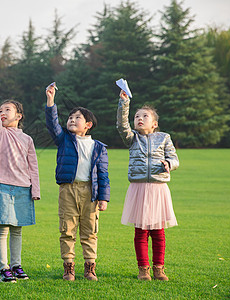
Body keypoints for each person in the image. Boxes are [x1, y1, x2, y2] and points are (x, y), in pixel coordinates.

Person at [45, 84, 110, 281]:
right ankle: (68, 267)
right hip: (68, 190)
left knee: (90, 232)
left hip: (90, 192)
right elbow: (52, 124)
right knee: (67, 229)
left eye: (77, 118)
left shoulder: (98, 147)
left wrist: (103, 198)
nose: (72, 120)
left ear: (88, 124)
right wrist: (50, 101)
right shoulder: (63, 139)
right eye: (70, 118)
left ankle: (90, 267)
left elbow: (103, 174)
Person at [116, 89, 179, 281]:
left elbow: (174, 158)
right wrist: (124, 104)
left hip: (159, 189)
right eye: (137, 116)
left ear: (155, 124)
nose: (140, 118)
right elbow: (121, 125)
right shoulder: (132, 138)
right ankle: (143, 268)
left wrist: (170, 164)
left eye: (145, 116)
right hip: (139, 189)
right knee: (141, 232)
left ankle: (159, 268)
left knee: (158, 232)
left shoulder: (164, 138)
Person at [0, 84, 40, 283]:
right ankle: (3, 268)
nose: (2, 113)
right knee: (3, 229)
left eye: (7, 110)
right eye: (1, 109)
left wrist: (35, 189)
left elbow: (33, 167)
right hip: (2, 186)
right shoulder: (0, 133)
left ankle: (16, 265)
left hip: (23, 188)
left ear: (19, 115)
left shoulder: (27, 139)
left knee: (17, 229)